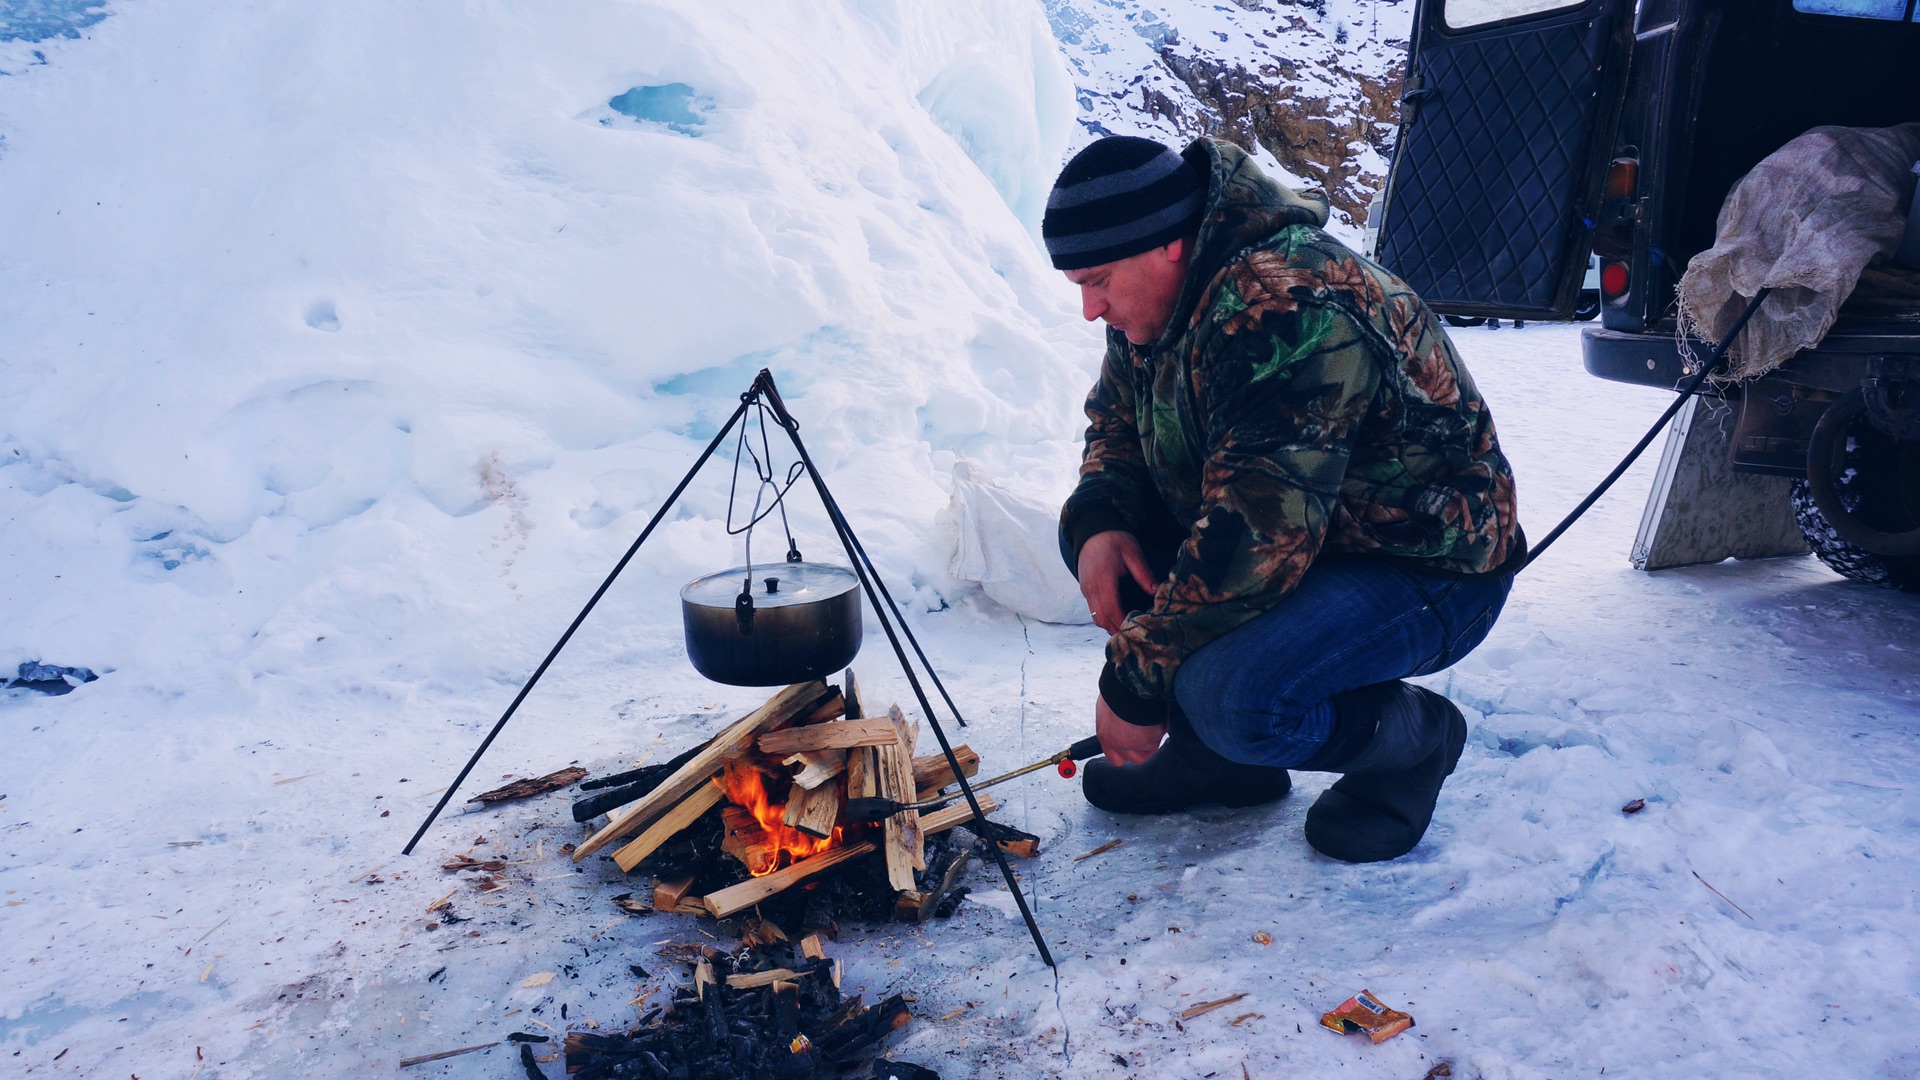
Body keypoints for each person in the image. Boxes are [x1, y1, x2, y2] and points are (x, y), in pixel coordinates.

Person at [1043, 135, 1525, 863]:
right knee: (1121, 543)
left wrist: (1136, 682)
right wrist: (1100, 522)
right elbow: (1116, 422)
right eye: (1080, 284)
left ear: (1169, 245)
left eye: (1099, 279)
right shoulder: (1163, 305)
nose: (1090, 308)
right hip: (1314, 538)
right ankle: (1220, 764)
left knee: (1232, 694)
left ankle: (1414, 742)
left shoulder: (1290, 302)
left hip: (1426, 567)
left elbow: (1259, 533)